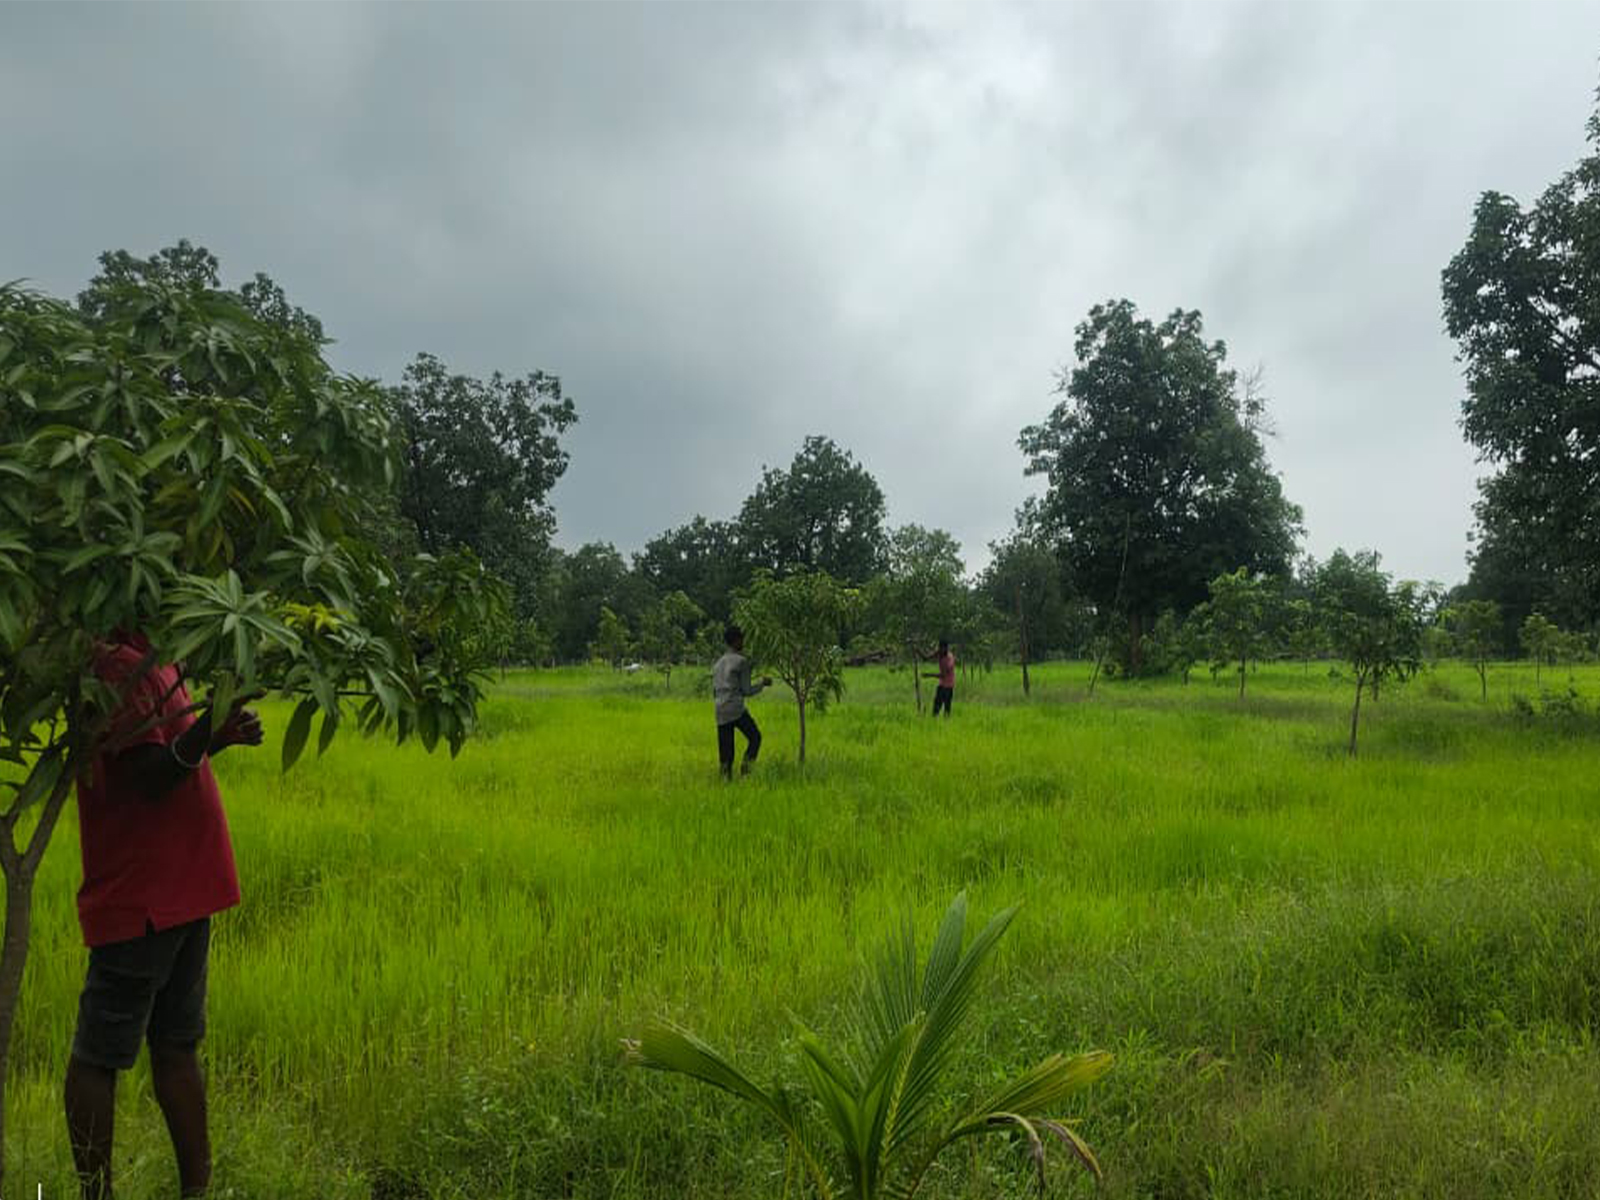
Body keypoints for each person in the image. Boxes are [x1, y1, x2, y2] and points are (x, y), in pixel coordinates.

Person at [65, 631, 264, 1200]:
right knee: (99, 1055)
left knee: (177, 1045)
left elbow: (173, 758)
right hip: (144, 896)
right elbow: (147, 777)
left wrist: (215, 733)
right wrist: (213, 717)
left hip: (186, 889)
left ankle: (196, 1192)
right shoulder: (114, 668)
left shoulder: (156, 657)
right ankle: (96, 1194)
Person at [712, 625, 771, 779]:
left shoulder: (718, 664)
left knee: (726, 752)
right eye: (742, 639)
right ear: (737, 640)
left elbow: (715, 690)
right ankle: (746, 771)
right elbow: (746, 691)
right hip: (736, 709)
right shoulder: (741, 662)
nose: (743, 642)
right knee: (755, 737)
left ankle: (726, 781)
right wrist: (762, 683)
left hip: (720, 709)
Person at [923, 639, 956, 717]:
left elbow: (943, 675)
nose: (940, 650)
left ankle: (946, 726)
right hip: (942, 685)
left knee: (947, 710)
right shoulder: (939, 653)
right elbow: (926, 658)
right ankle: (935, 724)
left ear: (946, 648)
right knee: (936, 708)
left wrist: (929, 675)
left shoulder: (949, 659)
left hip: (948, 686)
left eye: (942, 648)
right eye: (939, 648)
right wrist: (917, 650)